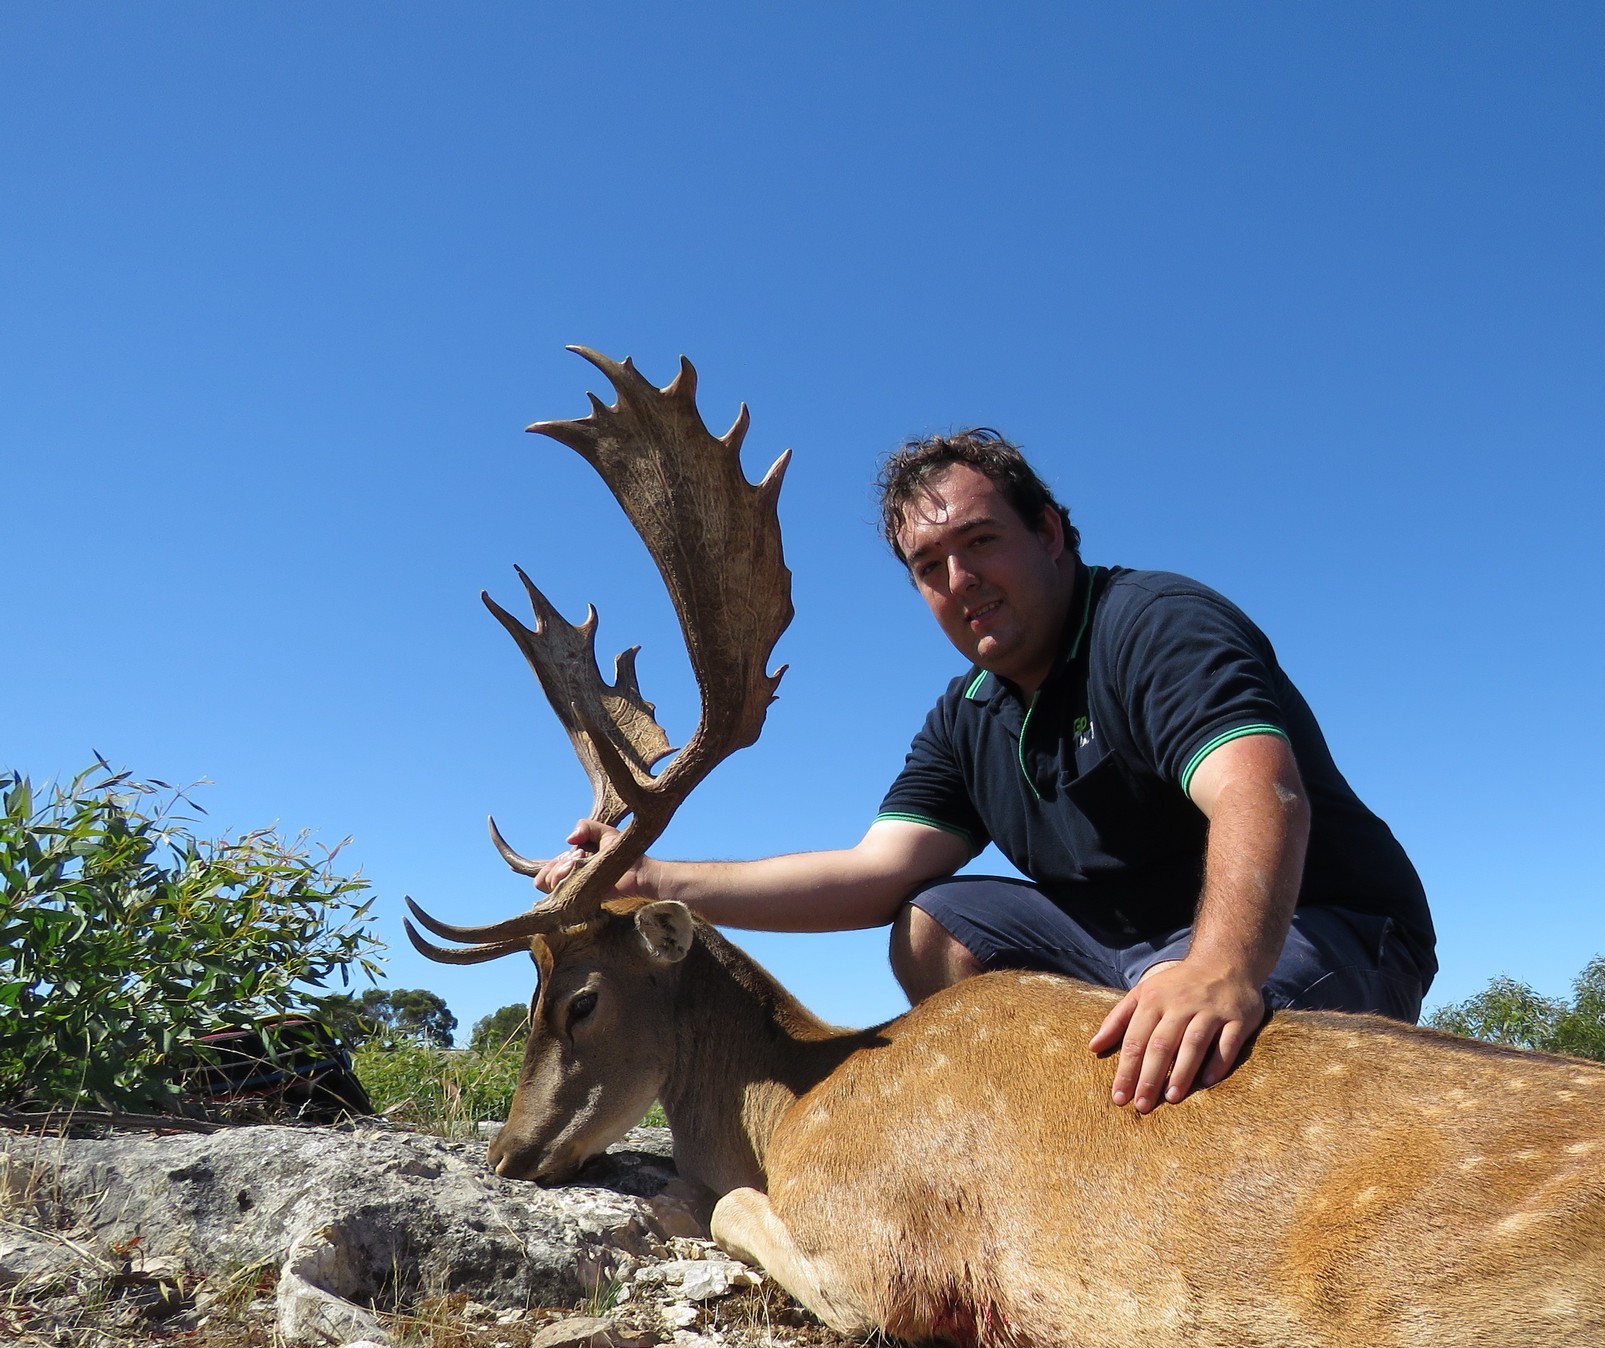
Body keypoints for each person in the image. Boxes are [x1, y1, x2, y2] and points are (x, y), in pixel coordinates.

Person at [538, 430, 1436, 1114]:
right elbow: (874, 874)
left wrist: (1219, 969)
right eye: (930, 566)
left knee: (1209, 1071)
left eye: (980, 542)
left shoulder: (1153, 624)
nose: (960, 579)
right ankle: (1047, 1132)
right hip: (1129, 958)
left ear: (1050, 532)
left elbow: (1256, 789)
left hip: (1319, 930)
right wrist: (645, 874)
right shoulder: (968, 714)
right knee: (929, 922)